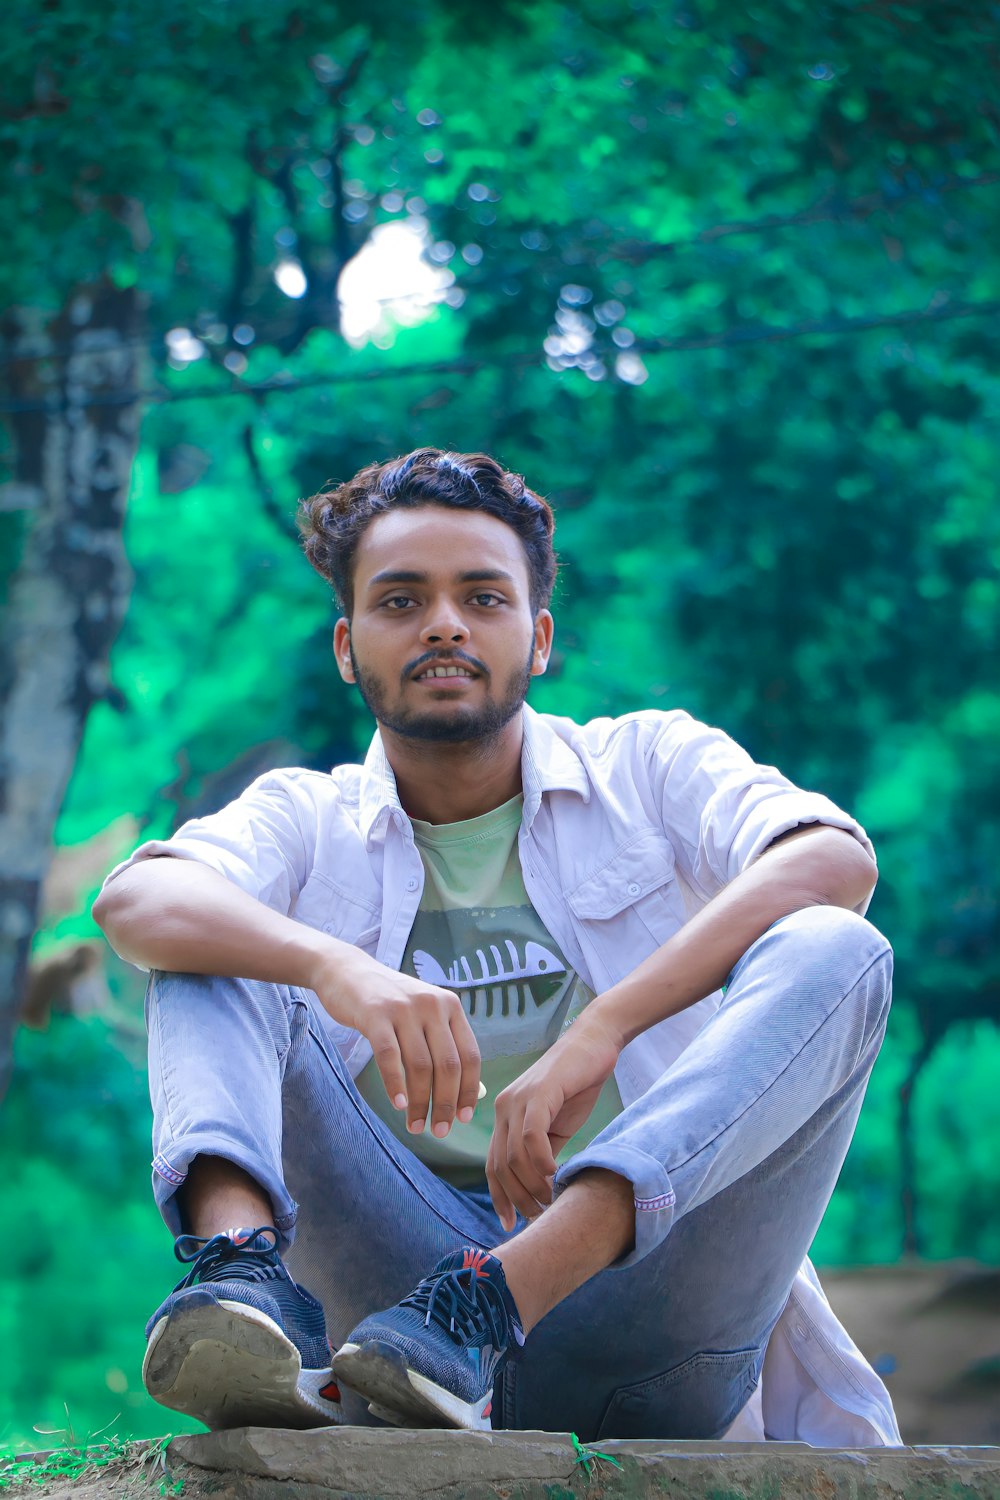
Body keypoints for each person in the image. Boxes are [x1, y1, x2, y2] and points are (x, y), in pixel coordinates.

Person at [94, 447, 899, 1444]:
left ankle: (497, 1297)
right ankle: (239, 1282)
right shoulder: (308, 819)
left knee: (836, 948)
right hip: (390, 1332)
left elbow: (833, 863)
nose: (443, 624)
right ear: (347, 648)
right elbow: (133, 900)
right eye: (400, 602)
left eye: (481, 597)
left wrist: (603, 1027)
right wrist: (335, 968)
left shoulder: (646, 766)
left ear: (539, 636)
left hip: (651, 1314)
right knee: (204, 932)